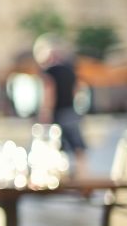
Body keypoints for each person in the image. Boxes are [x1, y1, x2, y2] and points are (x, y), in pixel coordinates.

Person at [34, 33, 87, 175]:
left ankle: (55, 174)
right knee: (77, 145)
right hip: (70, 110)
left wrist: (45, 112)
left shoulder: (49, 71)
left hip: (57, 112)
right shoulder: (70, 70)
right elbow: (77, 90)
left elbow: (49, 92)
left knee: (54, 144)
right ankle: (82, 174)